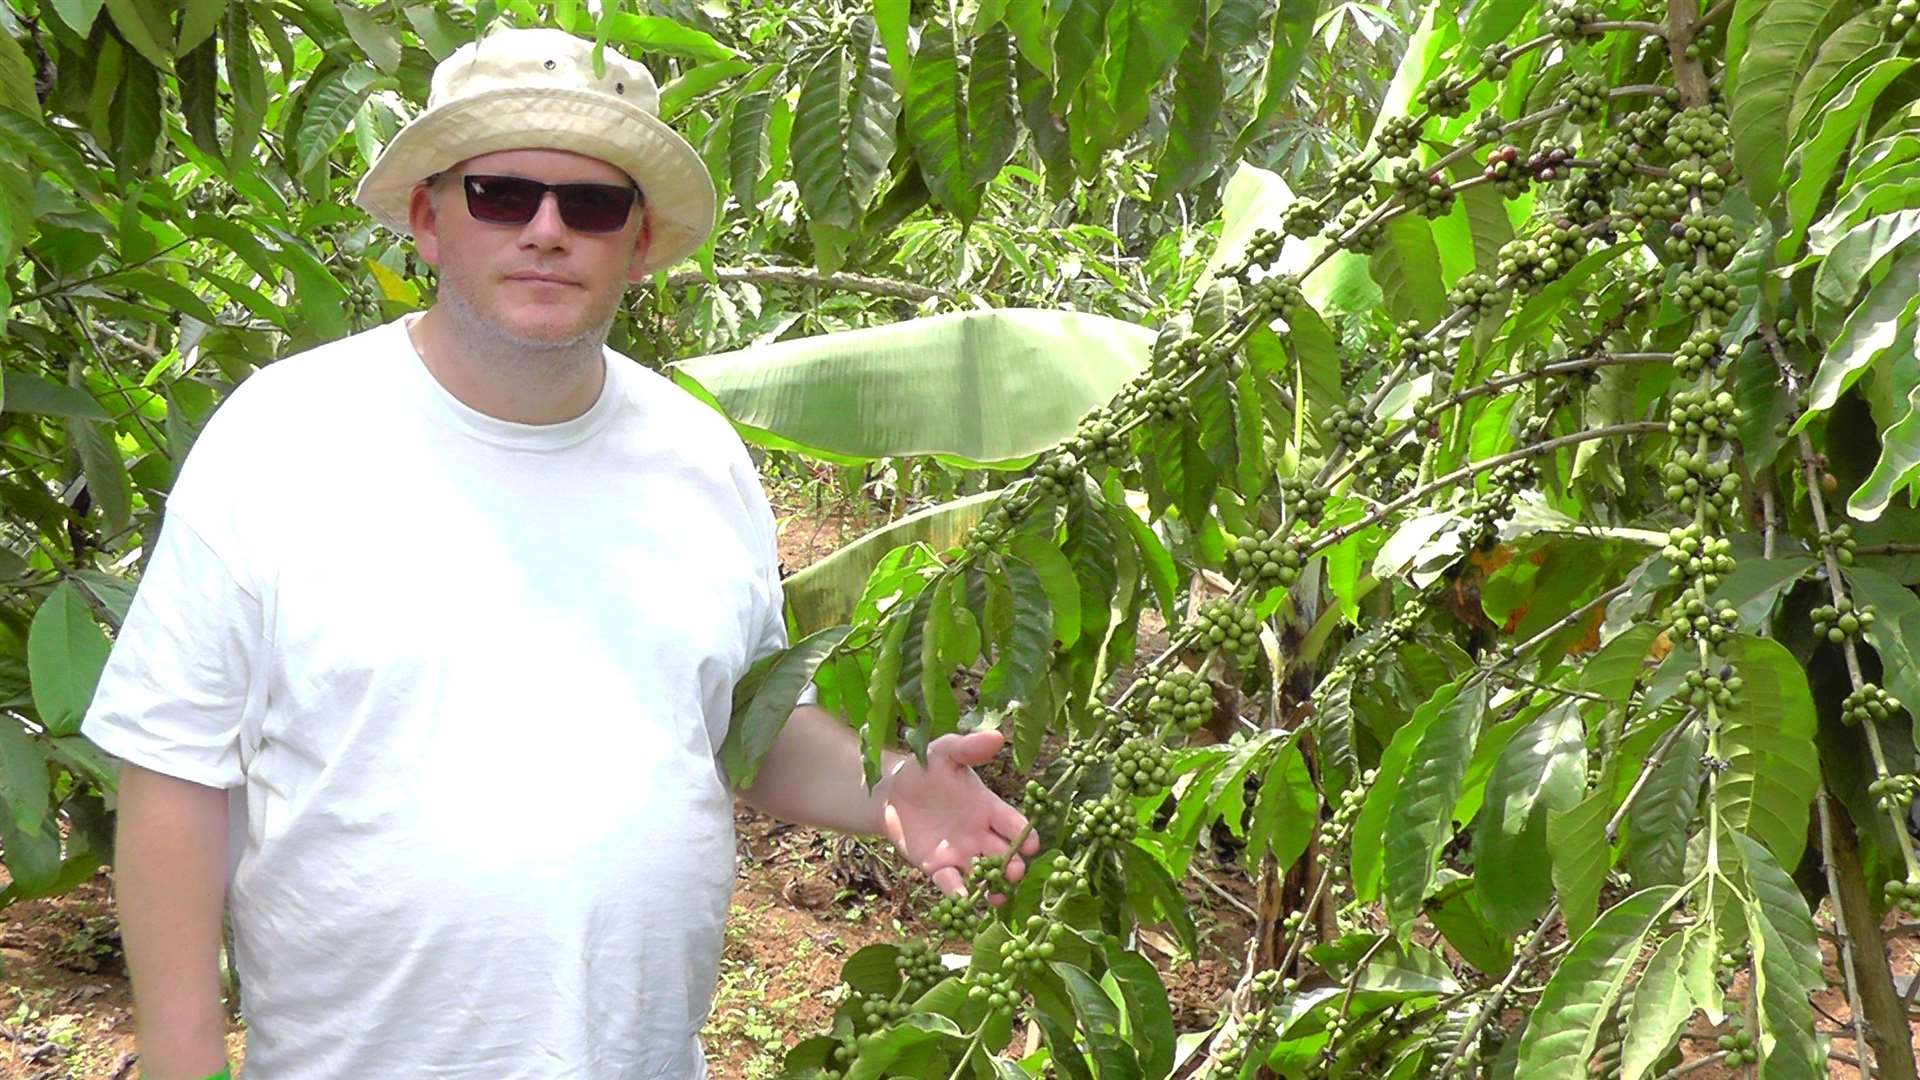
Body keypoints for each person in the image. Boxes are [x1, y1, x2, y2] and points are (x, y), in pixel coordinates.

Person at [80, 26, 1039, 1080]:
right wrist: (180, 1049)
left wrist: (893, 788)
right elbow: (175, 764)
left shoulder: (698, 457)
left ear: (636, 243)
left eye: (590, 205)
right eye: (500, 193)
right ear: (427, 218)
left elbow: (745, 728)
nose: (546, 230)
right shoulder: (284, 437)